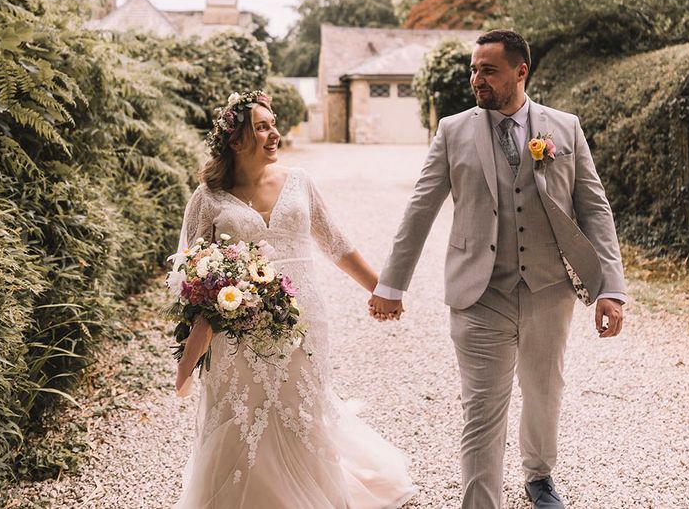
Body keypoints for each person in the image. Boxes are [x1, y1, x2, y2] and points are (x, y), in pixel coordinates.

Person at [368, 30, 626, 509]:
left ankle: (539, 477)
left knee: (544, 390)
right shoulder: (453, 130)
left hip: (549, 288)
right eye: (473, 69)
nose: (476, 79)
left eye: (487, 69)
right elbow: (420, 209)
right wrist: (391, 283)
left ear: (520, 71)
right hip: (479, 292)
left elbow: (594, 208)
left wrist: (611, 287)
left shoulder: (564, 128)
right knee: (483, 408)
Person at [172, 91, 416, 509]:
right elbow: (191, 276)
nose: (274, 134)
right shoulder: (208, 198)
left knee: (300, 406)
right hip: (238, 328)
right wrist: (192, 350)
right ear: (235, 140)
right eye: (262, 127)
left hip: (304, 319)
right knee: (242, 411)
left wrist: (383, 289)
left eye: (273, 124)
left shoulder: (299, 181)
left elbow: (336, 244)